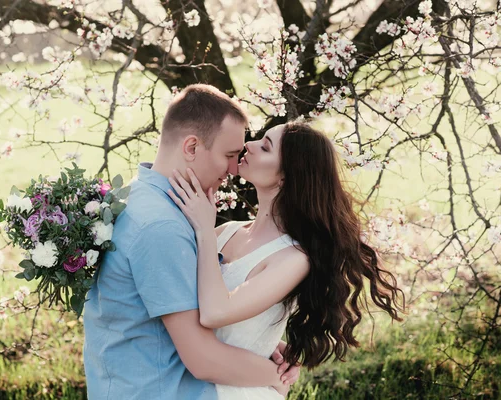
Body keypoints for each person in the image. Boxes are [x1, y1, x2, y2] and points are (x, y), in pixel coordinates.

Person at [83, 84, 299, 400]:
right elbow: (202, 358)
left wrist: (259, 341)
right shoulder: (162, 227)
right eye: (228, 155)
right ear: (191, 147)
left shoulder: (134, 196)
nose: (232, 169)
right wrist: (274, 377)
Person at [168, 120, 406, 399]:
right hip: (187, 383)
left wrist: (203, 231)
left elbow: (215, 313)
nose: (249, 145)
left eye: (265, 147)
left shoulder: (293, 258)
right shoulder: (225, 232)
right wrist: (266, 343)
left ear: (286, 177)